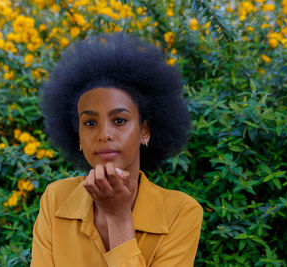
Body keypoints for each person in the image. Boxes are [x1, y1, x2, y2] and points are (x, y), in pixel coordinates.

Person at [31, 33, 203, 267]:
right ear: (78, 137)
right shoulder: (55, 200)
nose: (104, 134)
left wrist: (118, 217)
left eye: (119, 120)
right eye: (90, 123)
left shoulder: (181, 213)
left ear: (145, 130)